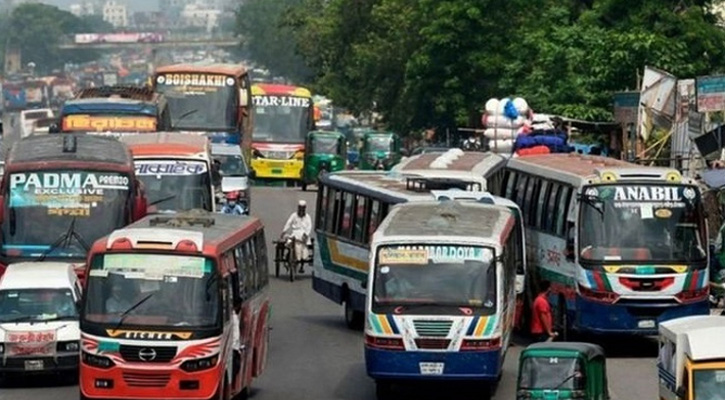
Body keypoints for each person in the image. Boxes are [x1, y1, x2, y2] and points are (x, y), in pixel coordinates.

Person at [282, 200, 313, 273]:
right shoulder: (294, 215)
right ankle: (289, 256)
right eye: (300, 208)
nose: (301, 210)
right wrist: (284, 231)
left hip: (304, 235)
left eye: (303, 208)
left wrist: (306, 234)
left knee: (304, 250)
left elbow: (309, 227)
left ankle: (301, 265)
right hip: (295, 234)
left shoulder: (307, 217)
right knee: (289, 242)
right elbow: (288, 223)